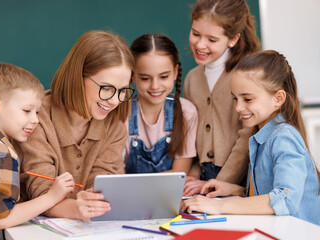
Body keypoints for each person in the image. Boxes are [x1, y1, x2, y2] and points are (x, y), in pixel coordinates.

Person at [181, 50, 320, 225]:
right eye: (235, 99)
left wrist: (219, 206)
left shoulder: (283, 137)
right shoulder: (262, 136)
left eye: (247, 99)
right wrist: (238, 190)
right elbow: (269, 190)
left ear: (278, 98)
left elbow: (285, 199)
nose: (238, 107)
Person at [13, 30, 135, 221]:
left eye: (122, 91)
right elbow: (41, 191)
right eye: (107, 88)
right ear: (78, 77)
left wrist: (96, 196)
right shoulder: (36, 117)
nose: (114, 101)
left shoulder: (115, 125)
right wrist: (78, 209)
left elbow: (101, 180)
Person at [0, 63, 75, 239]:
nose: (35, 120)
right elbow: (1, 218)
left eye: (37, 112)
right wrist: (52, 196)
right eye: (27, 111)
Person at [183, 0, 261, 196]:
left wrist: (217, 183)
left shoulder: (246, 75)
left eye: (211, 39)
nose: (200, 44)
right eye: (195, 34)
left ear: (233, 39)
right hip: (204, 178)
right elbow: (192, 137)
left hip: (238, 180)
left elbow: (247, 138)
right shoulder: (192, 79)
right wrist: (194, 176)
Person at [124, 33, 198, 174]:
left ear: (175, 72)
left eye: (164, 76)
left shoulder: (186, 113)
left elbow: (179, 174)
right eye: (145, 78)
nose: (155, 86)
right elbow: (116, 172)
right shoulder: (121, 115)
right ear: (133, 75)